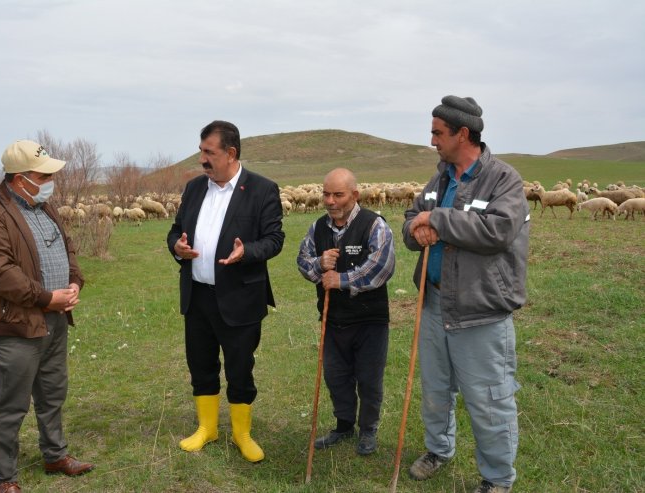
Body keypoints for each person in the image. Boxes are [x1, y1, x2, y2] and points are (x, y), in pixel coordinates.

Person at [402, 96, 529, 493]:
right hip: (435, 303)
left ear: (462, 133)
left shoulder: (503, 179)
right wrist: (415, 229)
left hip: (481, 310)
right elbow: (411, 218)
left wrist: (436, 219)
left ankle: (497, 479)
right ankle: (438, 450)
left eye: (438, 133)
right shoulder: (440, 178)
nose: (431, 140)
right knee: (436, 389)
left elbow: (498, 232)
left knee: (489, 399)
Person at [0, 140, 95, 493]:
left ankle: (55, 455)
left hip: (53, 320)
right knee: (12, 404)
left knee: (53, 393)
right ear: (21, 178)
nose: (51, 179)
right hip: (14, 327)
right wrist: (45, 297)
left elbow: (66, 247)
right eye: (44, 174)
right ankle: (4, 477)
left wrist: (73, 282)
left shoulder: (45, 207)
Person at [167, 120, 285, 463]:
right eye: (201, 151)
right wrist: (179, 247)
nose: (202, 159)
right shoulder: (193, 189)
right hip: (198, 295)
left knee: (239, 367)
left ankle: (242, 433)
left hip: (239, 297)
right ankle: (208, 428)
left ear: (230, 153)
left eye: (209, 153)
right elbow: (174, 231)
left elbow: (274, 240)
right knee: (200, 364)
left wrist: (246, 251)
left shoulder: (262, 189)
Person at [297, 168, 395, 456]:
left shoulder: (374, 225)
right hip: (333, 319)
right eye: (326, 194)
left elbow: (381, 267)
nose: (330, 201)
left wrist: (341, 279)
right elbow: (302, 260)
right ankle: (343, 425)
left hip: (369, 321)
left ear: (355, 195)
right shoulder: (318, 228)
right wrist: (318, 264)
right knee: (336, 376)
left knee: (368, 378)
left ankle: (368, 430)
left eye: (338, 194)